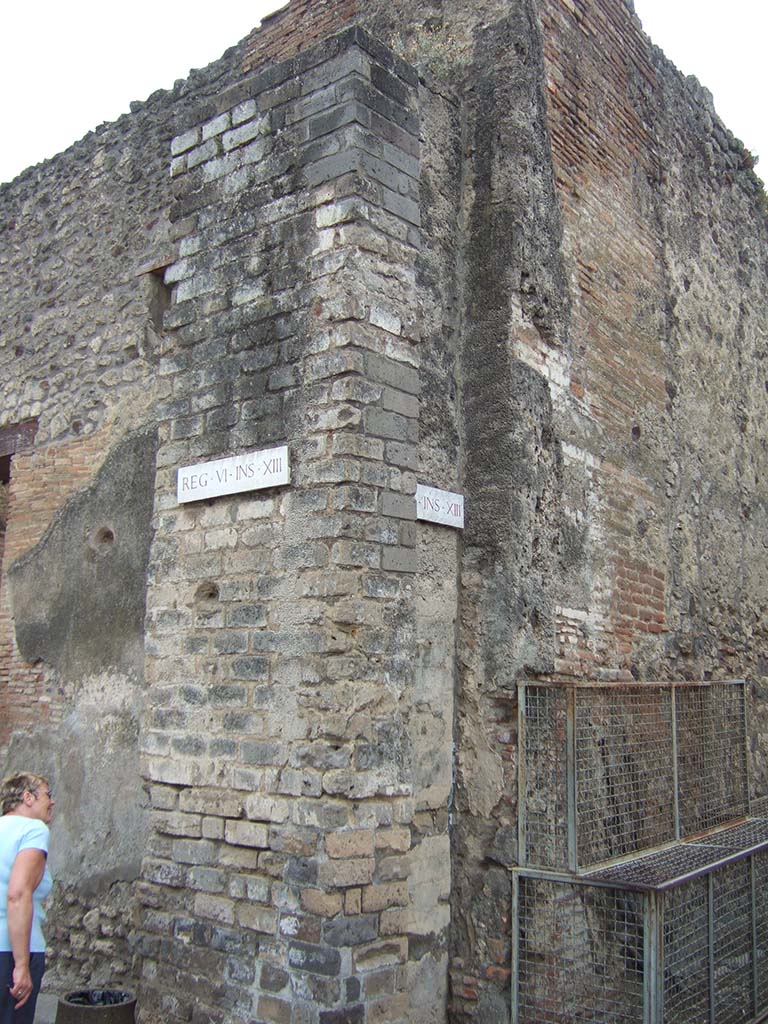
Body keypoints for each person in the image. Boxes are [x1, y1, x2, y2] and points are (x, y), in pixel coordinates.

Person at [0, 773, 54, 1024]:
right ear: (28, 798)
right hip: (11, 951)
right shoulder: (33, 830)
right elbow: (18, 894)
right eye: (48, 794)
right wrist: (21, 965)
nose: (51, 802)